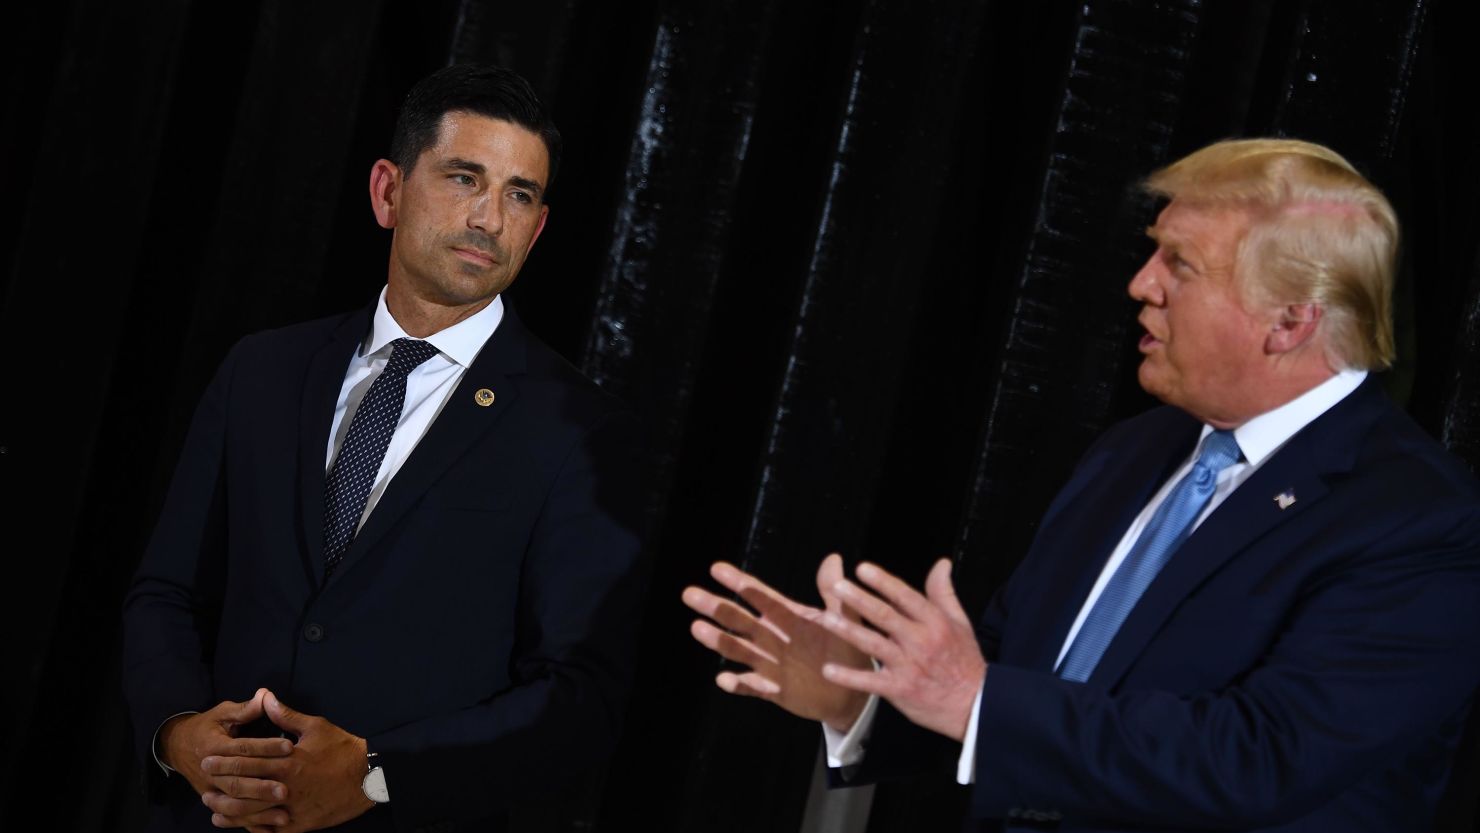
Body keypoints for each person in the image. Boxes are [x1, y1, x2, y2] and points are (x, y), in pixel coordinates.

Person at [683, 138, 1480, 831]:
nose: (1141, 284)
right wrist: (861, 692)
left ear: (1288, 321)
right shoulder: (1136, 450)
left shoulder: (1421, 521)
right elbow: (1012, 680)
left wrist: (973, 699)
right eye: (1152, 251)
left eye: (1180, 264)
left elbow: (1260, 757)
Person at [122, 64, 650, 833]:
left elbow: (579, 699)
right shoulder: (262, 371)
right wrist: (177, 733)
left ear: (538, 229)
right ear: (388, 191)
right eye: (465, 178)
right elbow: (165, 591)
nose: (490, 218)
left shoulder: (579, 430)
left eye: (519, 194)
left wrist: (373, 779)